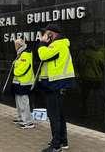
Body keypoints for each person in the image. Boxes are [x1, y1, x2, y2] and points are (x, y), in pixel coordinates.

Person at [38, 24, 75, 152]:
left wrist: (42, 43)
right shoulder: (61, 44)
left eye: (46, 34)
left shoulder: (57, 44)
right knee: (59, 115)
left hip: (55, 84)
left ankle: (56, 145)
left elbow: (42, 56)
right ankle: (63, 141)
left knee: (54, 116)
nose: (43, 36)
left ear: (51, 34)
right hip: (57, 84)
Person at [12, 39, 35, 129]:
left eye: (16, 45)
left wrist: (15, 65)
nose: (15, 47)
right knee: (18, 101)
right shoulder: (20, 53)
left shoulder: (25, 54)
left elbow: (22, 68)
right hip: (19, 81)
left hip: (24, 81)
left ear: (19, 45)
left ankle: (28, 122)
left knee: (24, 101)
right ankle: (21, 118)